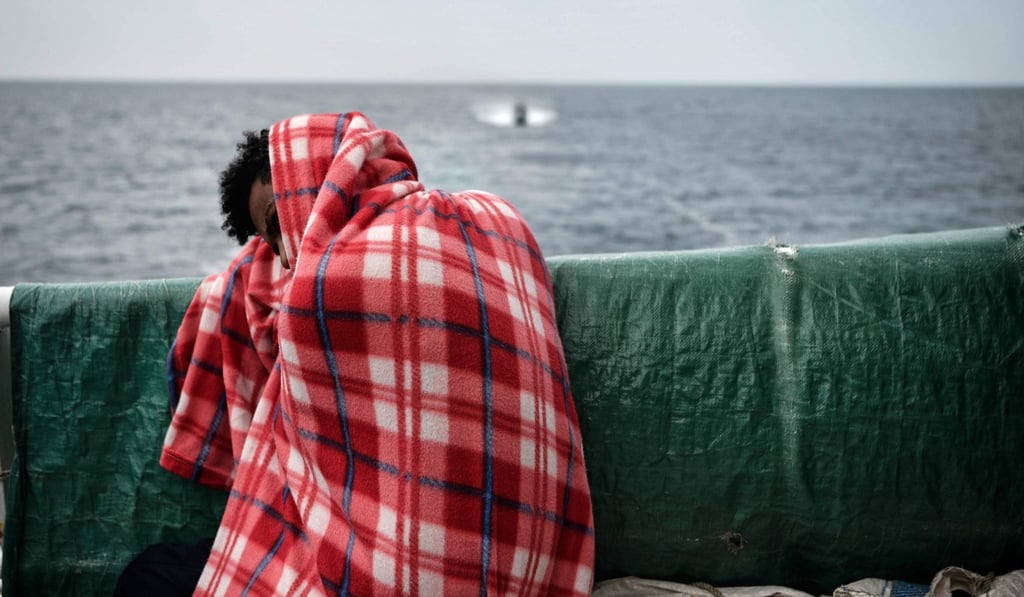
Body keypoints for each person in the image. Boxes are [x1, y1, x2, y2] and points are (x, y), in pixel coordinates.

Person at [124, 112, 594, 596]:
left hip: (393, 578)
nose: (284, 258)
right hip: (533, 566)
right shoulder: (498, 219)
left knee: (149, 576)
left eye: (278, 226)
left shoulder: (321, 290)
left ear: (315, 188)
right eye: (269, 244)